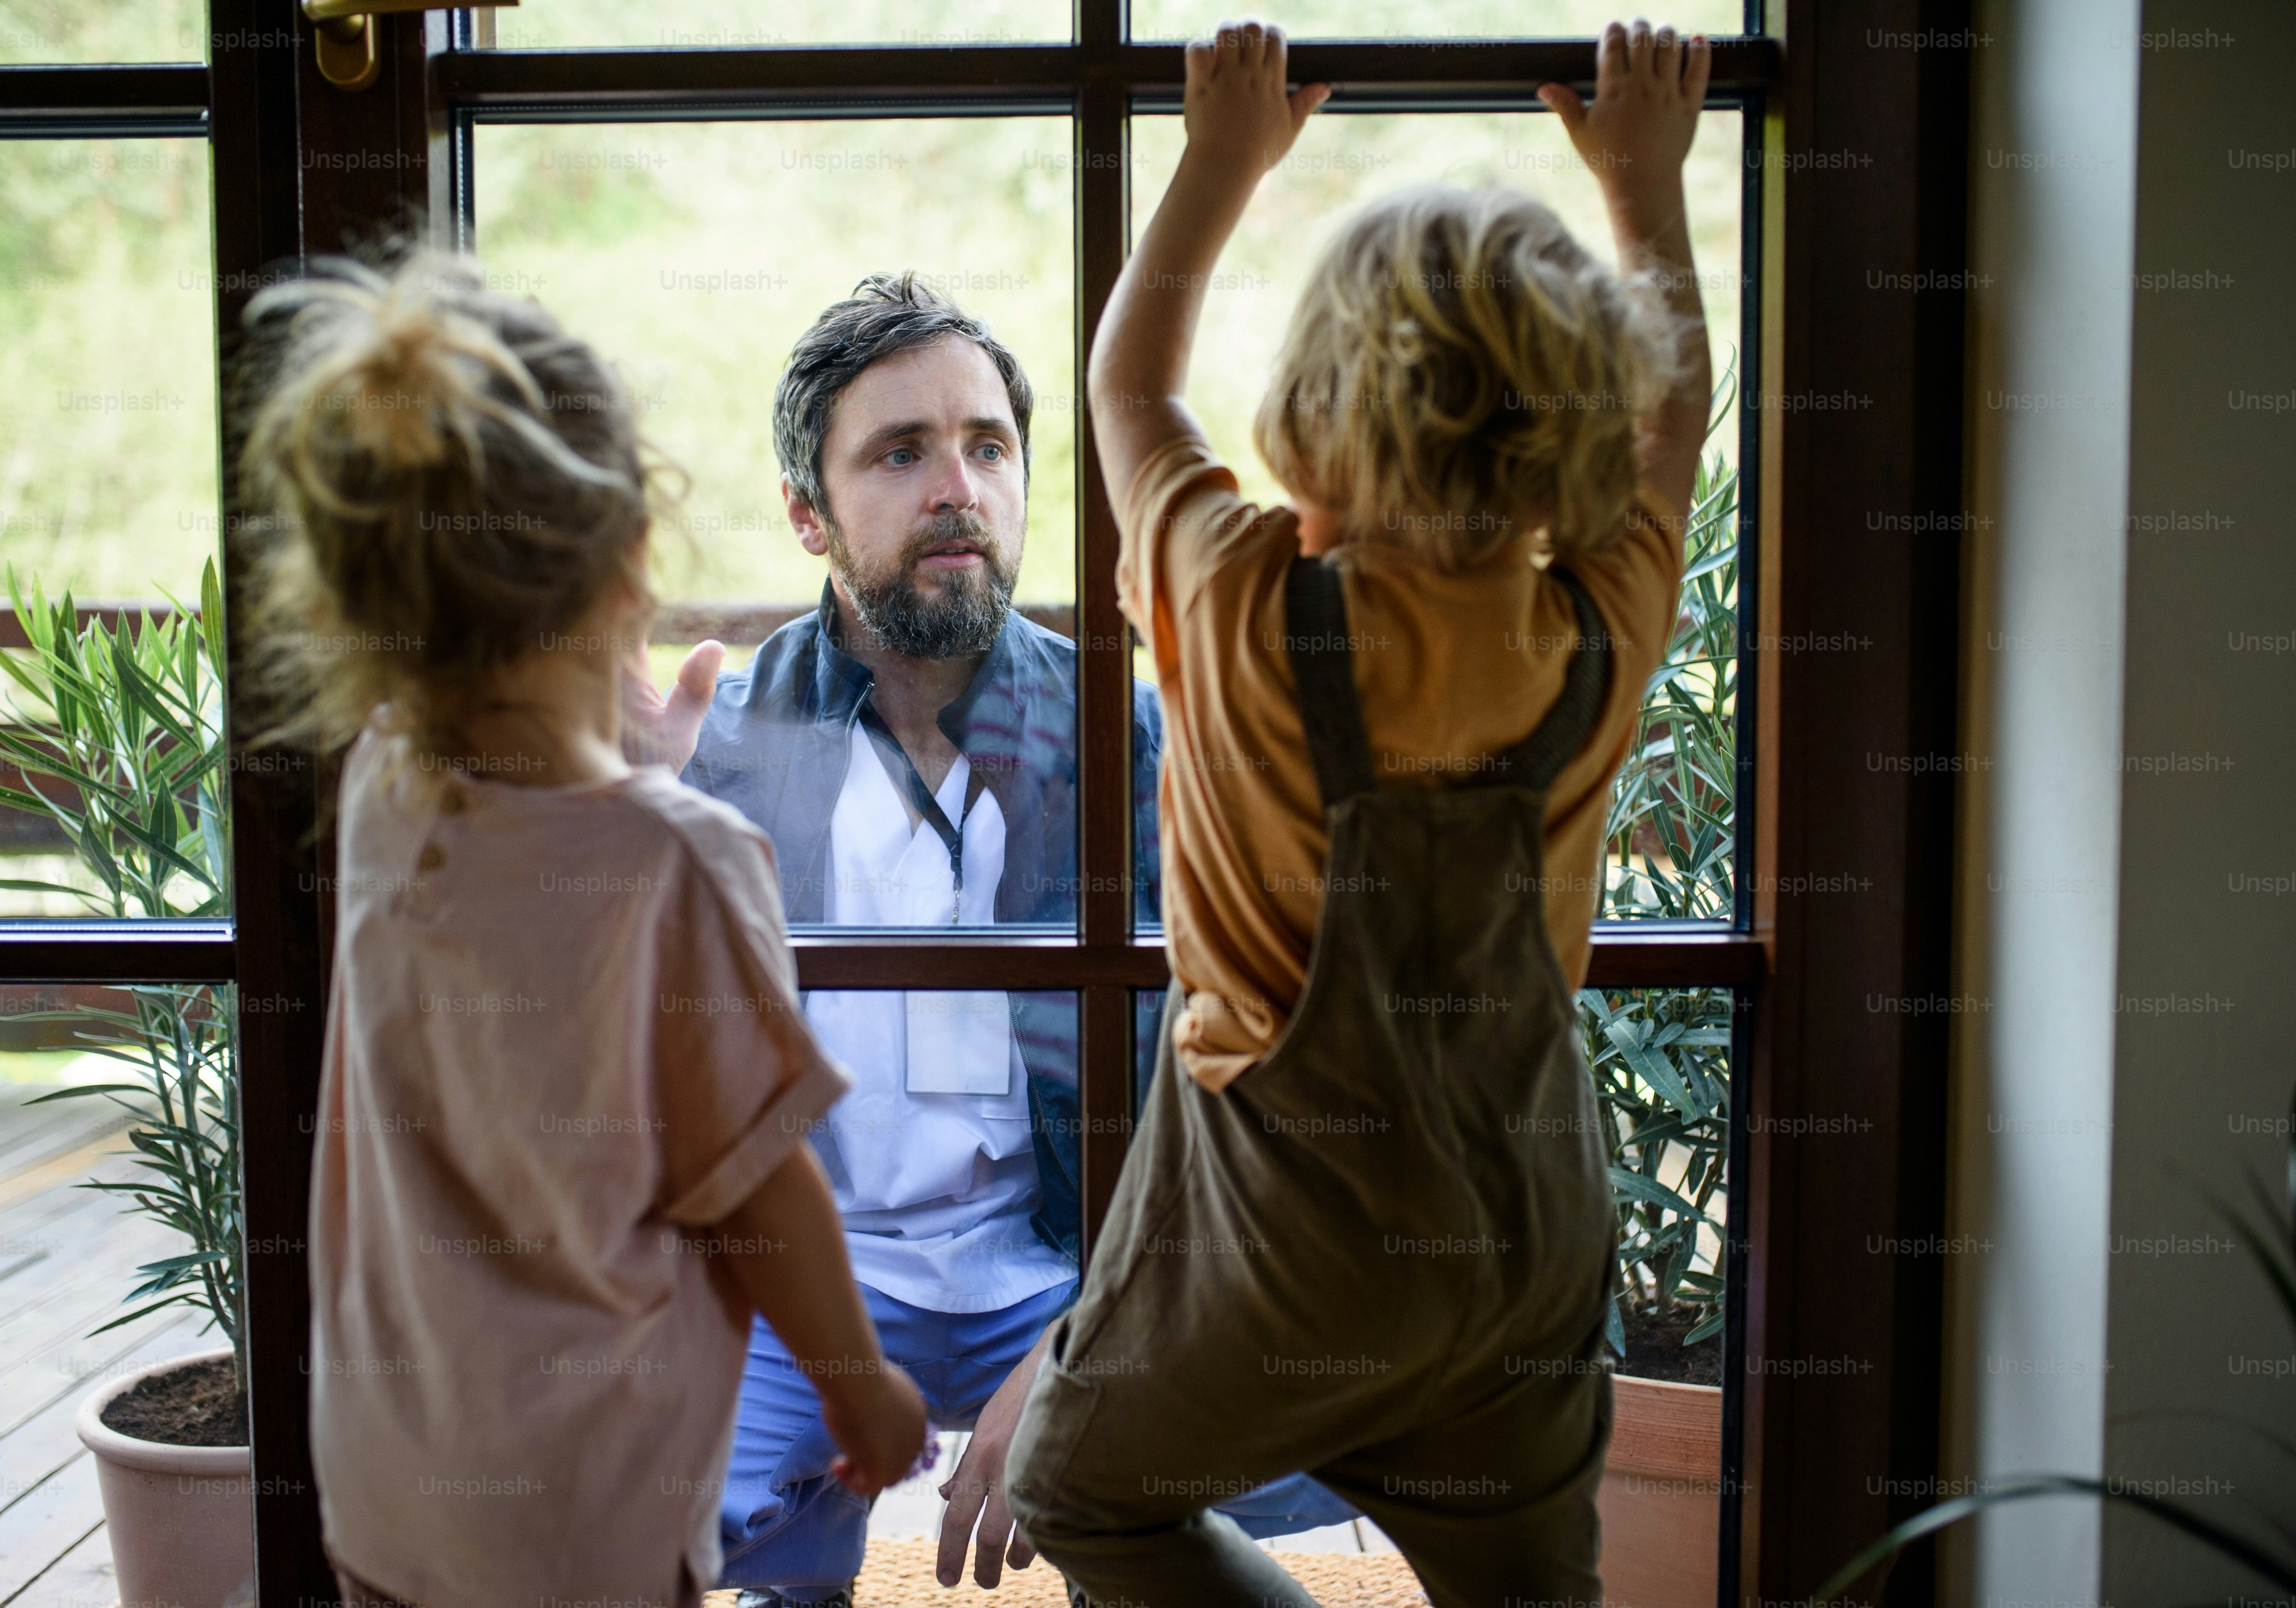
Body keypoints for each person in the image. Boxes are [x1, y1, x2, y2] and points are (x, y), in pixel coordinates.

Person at [1006, 16, 1713, 1607]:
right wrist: (1646, 184)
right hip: (1518, 1247)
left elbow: (1128, 384)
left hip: (1283, 1255)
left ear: (1314, 409)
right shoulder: (1595, 629)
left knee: (1082, 1494)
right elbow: (1675, 420)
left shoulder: (1241, 602)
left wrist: (1220, 161)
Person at [636, 273, 1361, 1605]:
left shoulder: (1137, 741)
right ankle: (798, 1566)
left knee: (1320, 1391)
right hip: (809, 1289)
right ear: (806, 514)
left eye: (988, 448)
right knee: (635, 1491)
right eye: (899, 454)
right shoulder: (725, 747)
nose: (957, 490)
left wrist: (1089, 1345)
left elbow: (1247, 1097)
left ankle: (1122, 1538)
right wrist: (607, 829)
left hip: (1067, 1276)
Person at [237, 251, 927, 1608]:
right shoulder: (685, 864)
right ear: (629, 564)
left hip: (387, 1486)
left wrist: (629, 774)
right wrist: (862, 1388)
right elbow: (761, 1191)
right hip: (581, 1514)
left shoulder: (381, 783)